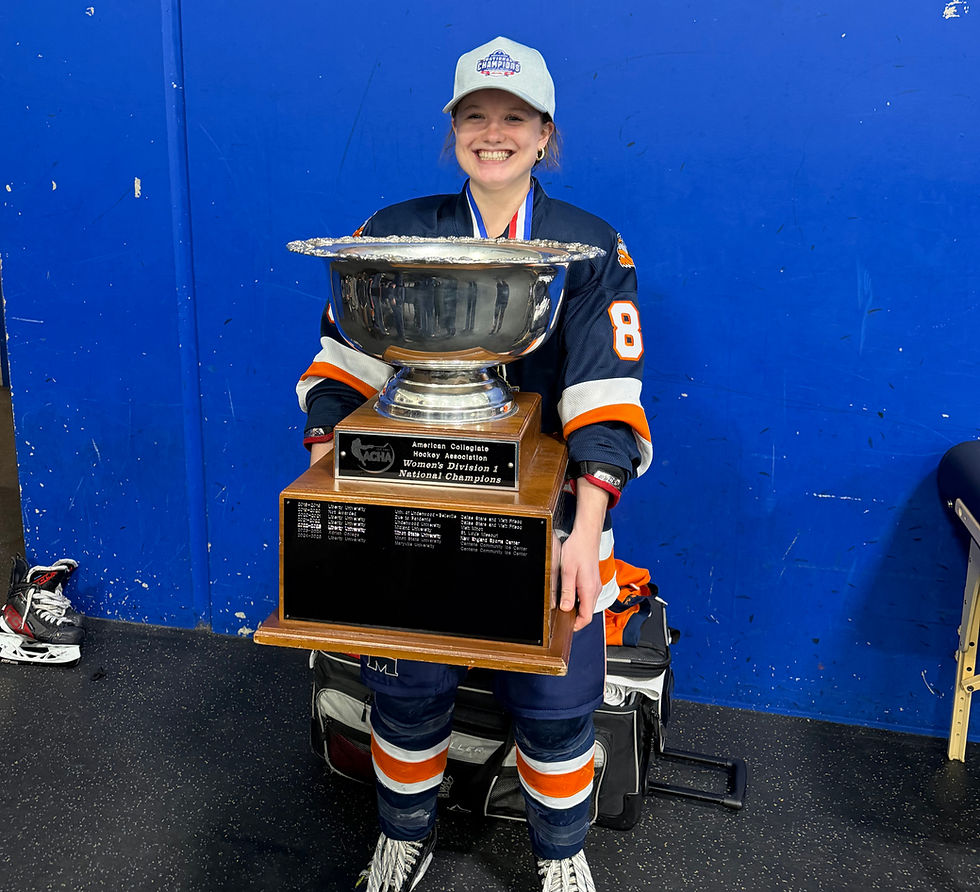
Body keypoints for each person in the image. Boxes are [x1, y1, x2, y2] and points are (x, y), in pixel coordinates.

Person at [297, 36, 652, 892]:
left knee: (558, 708)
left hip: (555, 511)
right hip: (413, 507)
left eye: (514, 119)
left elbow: (609, 393)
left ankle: (562, 854)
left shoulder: (590, 244)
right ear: (454, 128)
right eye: (475, 117)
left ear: (544, 133)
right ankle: (401, 835)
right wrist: (334, 479)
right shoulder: (396, 232)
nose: (493, 134)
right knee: (407, 691)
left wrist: (585, 525)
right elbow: (344, 371)